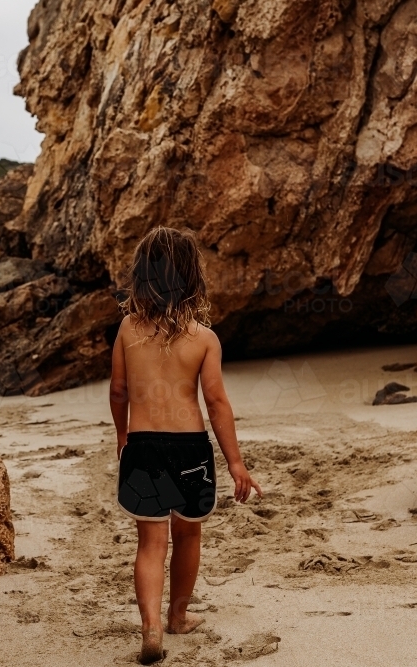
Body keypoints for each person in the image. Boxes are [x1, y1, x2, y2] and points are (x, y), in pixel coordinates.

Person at [109, 227, 263, 664]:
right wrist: (236, 463)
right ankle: (178, 616)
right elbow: (216, 403)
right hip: (191, 448)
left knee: (150, 543)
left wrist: (123, 436)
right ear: (193, 278)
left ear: (141, 276)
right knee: (188, 534)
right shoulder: (204, 338)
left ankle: (150, 627)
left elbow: (117, 392)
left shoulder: (127, 330)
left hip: (143, 444)